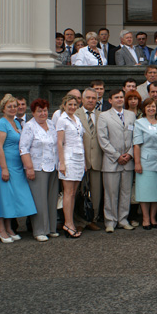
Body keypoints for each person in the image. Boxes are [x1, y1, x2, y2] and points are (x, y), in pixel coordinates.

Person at [0, 95, 37, 243]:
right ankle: (0, 229)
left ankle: (9, 227)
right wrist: (4, 168)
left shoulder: (16, 122)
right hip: (4, 165)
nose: (13, 109)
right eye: (9, 106)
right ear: (3, 108)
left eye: (15, 106)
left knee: (12, 197)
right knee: (3, 197)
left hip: (16, 165)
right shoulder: (1, 124)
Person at [19, 99, 59, 242]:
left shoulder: (51, 124)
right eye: (39, 111)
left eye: (45, 110)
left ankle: (51, 228)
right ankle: (40, 230)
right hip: (37, 167)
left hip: (53, 166)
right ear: (33, 113)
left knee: (51, 199)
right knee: (39, 200)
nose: (43, 113)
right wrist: (29, 167)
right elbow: (23, 148)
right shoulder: (29, 126)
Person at [97, 89, 136, 233]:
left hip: (128, 161)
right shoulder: (104, 116)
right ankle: (110, 221)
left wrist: (130, 154)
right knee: (111, 193)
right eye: (116, 97)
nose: (119, 99)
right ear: (110, 100)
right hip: (111, 161)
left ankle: (123, 219)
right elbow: (103, 139)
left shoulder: (131, 115)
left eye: (121, 97)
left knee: (126, 193)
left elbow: (135, 137)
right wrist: (116, 156)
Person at [56, 94, 86, 238]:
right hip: (68, 159)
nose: (72, 107)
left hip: (79, 159)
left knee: (73, 193)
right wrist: (62, 163)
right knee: (68, 193)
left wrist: (84, 162)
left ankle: (70, 221)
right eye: (70, 105)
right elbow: (60, 143)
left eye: (75, 104)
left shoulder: (77, 119)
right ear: (64, 105)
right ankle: (68, 223)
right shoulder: (62, 120)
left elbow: (80, 141)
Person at [74, 88, 103, 231]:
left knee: (96, 193)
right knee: (78, 193)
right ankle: (78, 221)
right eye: (88, 98)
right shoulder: (74, 114)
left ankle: (93, 219)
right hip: (80, 161)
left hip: (98, 160)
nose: (91, 100)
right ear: (82, 99)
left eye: (94, 98)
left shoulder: (101, 115)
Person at [133, 98, 157, 230]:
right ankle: (145, 218)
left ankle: (153, 217)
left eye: (153, 106)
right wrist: (137, 163)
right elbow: (137, 145)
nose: (151, 109)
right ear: (144, 109)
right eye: (148, 107)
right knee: (145, 192)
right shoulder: (139, 123)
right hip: (145, 162)